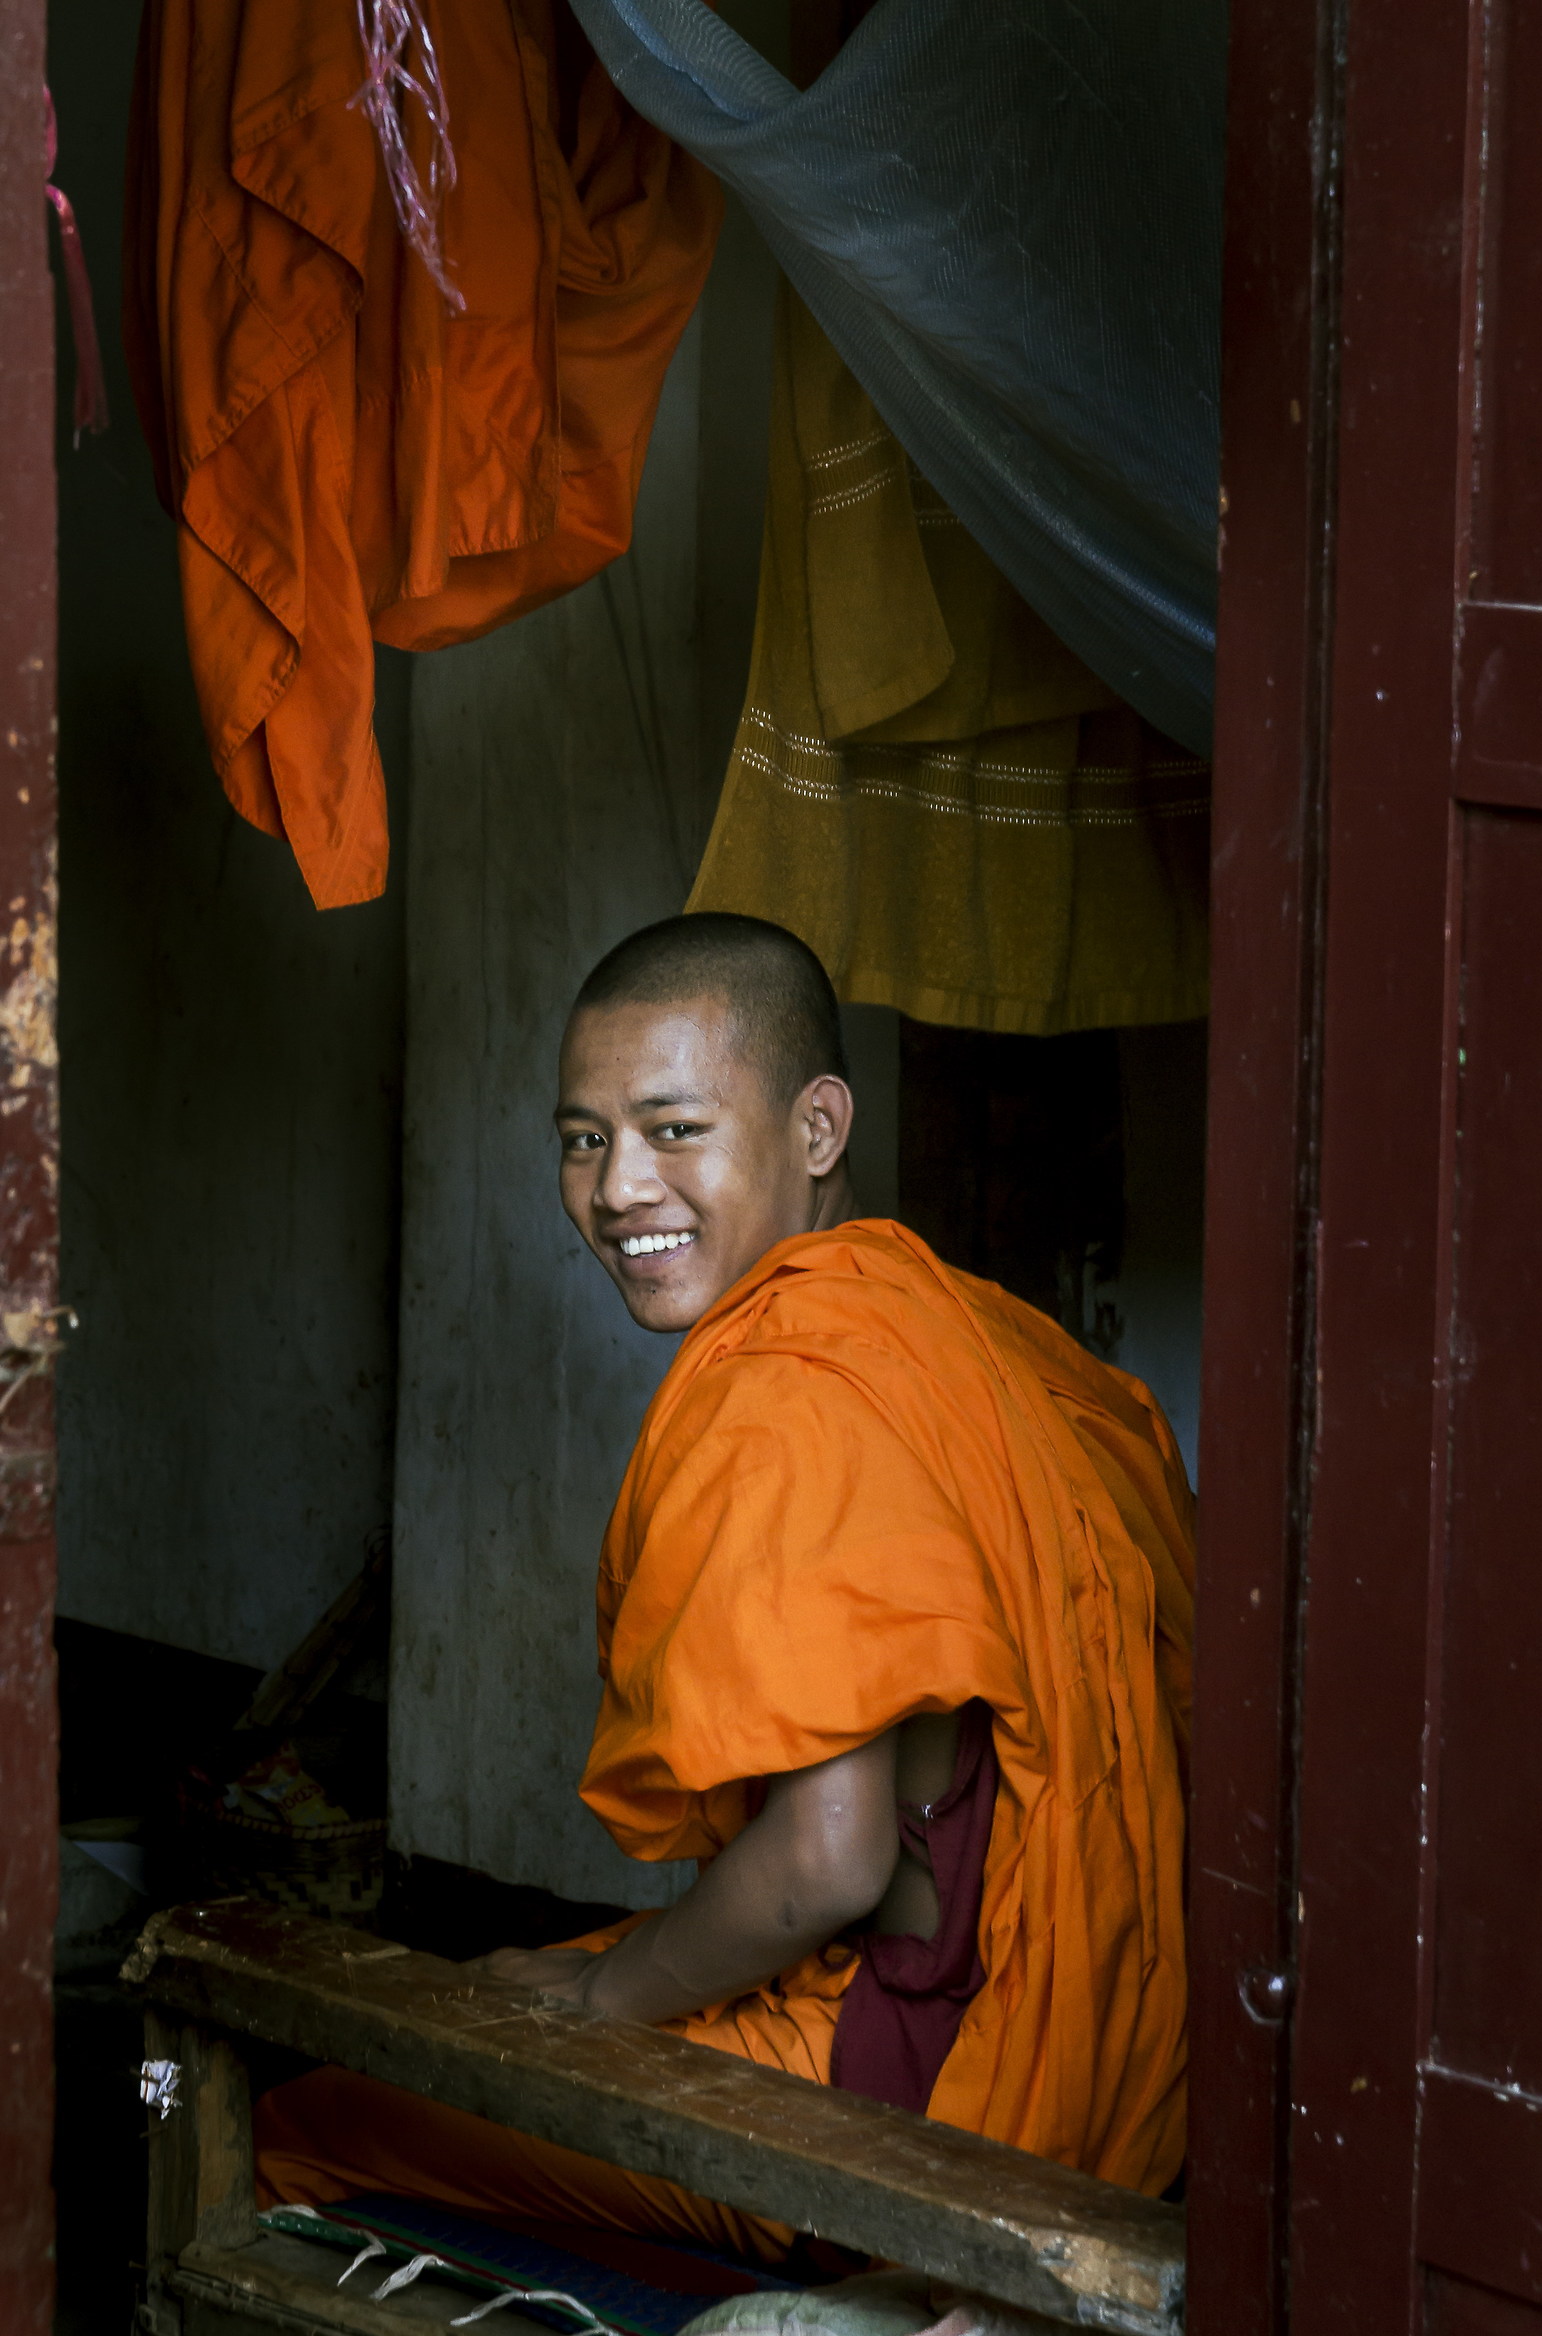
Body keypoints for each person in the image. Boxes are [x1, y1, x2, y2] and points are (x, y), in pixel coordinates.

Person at [257, 913, 1195, 2259]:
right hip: (1119, 2064)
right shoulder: (975, 1331)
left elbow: (827, 1863)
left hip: (919, 2100)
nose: (621, 1188)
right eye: (584, 1141)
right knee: (519, 1980)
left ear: (817, 1130)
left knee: (311, 2119)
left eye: (674, 1129)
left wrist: (592, 2011)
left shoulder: (785, 1395)